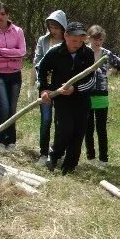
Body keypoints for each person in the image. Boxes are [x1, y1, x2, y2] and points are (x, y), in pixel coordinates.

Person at [38, 22, 96, 175]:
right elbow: (41, 70)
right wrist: (44, 89)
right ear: (65, 36)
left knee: (78, 132)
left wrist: (75, 89)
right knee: (65, 129)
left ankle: (70, 165)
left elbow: (91, 80)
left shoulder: (88, 54)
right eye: (74, 40)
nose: (77, 44)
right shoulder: (55, 52)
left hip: (81, 99)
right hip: (61, 98)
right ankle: (54, 154)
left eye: (80, 41)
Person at [84, 24, 120, 167]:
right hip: (85, 94)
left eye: (100, 39)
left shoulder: (106, 53)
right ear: (88, 38)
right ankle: (90, 157)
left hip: (101, 94)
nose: (97, 42)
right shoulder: (83, 52)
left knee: (101, 127)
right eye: (94, 39)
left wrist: (111, 71)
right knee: (88, 127)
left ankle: (103, 158)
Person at [32, 10, 67, 164]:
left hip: (61, 87)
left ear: (63, 28)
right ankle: (43, 153)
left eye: (56, 27)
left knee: (60, 121)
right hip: (45, 85)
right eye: (51, 26)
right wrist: (31, 85)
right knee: (46, 120)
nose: (53, 30)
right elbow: (36, 62)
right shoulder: (43, 40)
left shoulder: (68, 41)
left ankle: (58, 153)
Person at [0, 2, 26, 153]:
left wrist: (0, 52)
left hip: (14, 74)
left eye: (3, 14)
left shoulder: (18, 31)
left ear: (8, 15)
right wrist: (11, 53)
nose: (0, 17)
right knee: (3, 107)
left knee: (12, 109)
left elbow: (22, 52)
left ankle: (10, 140)